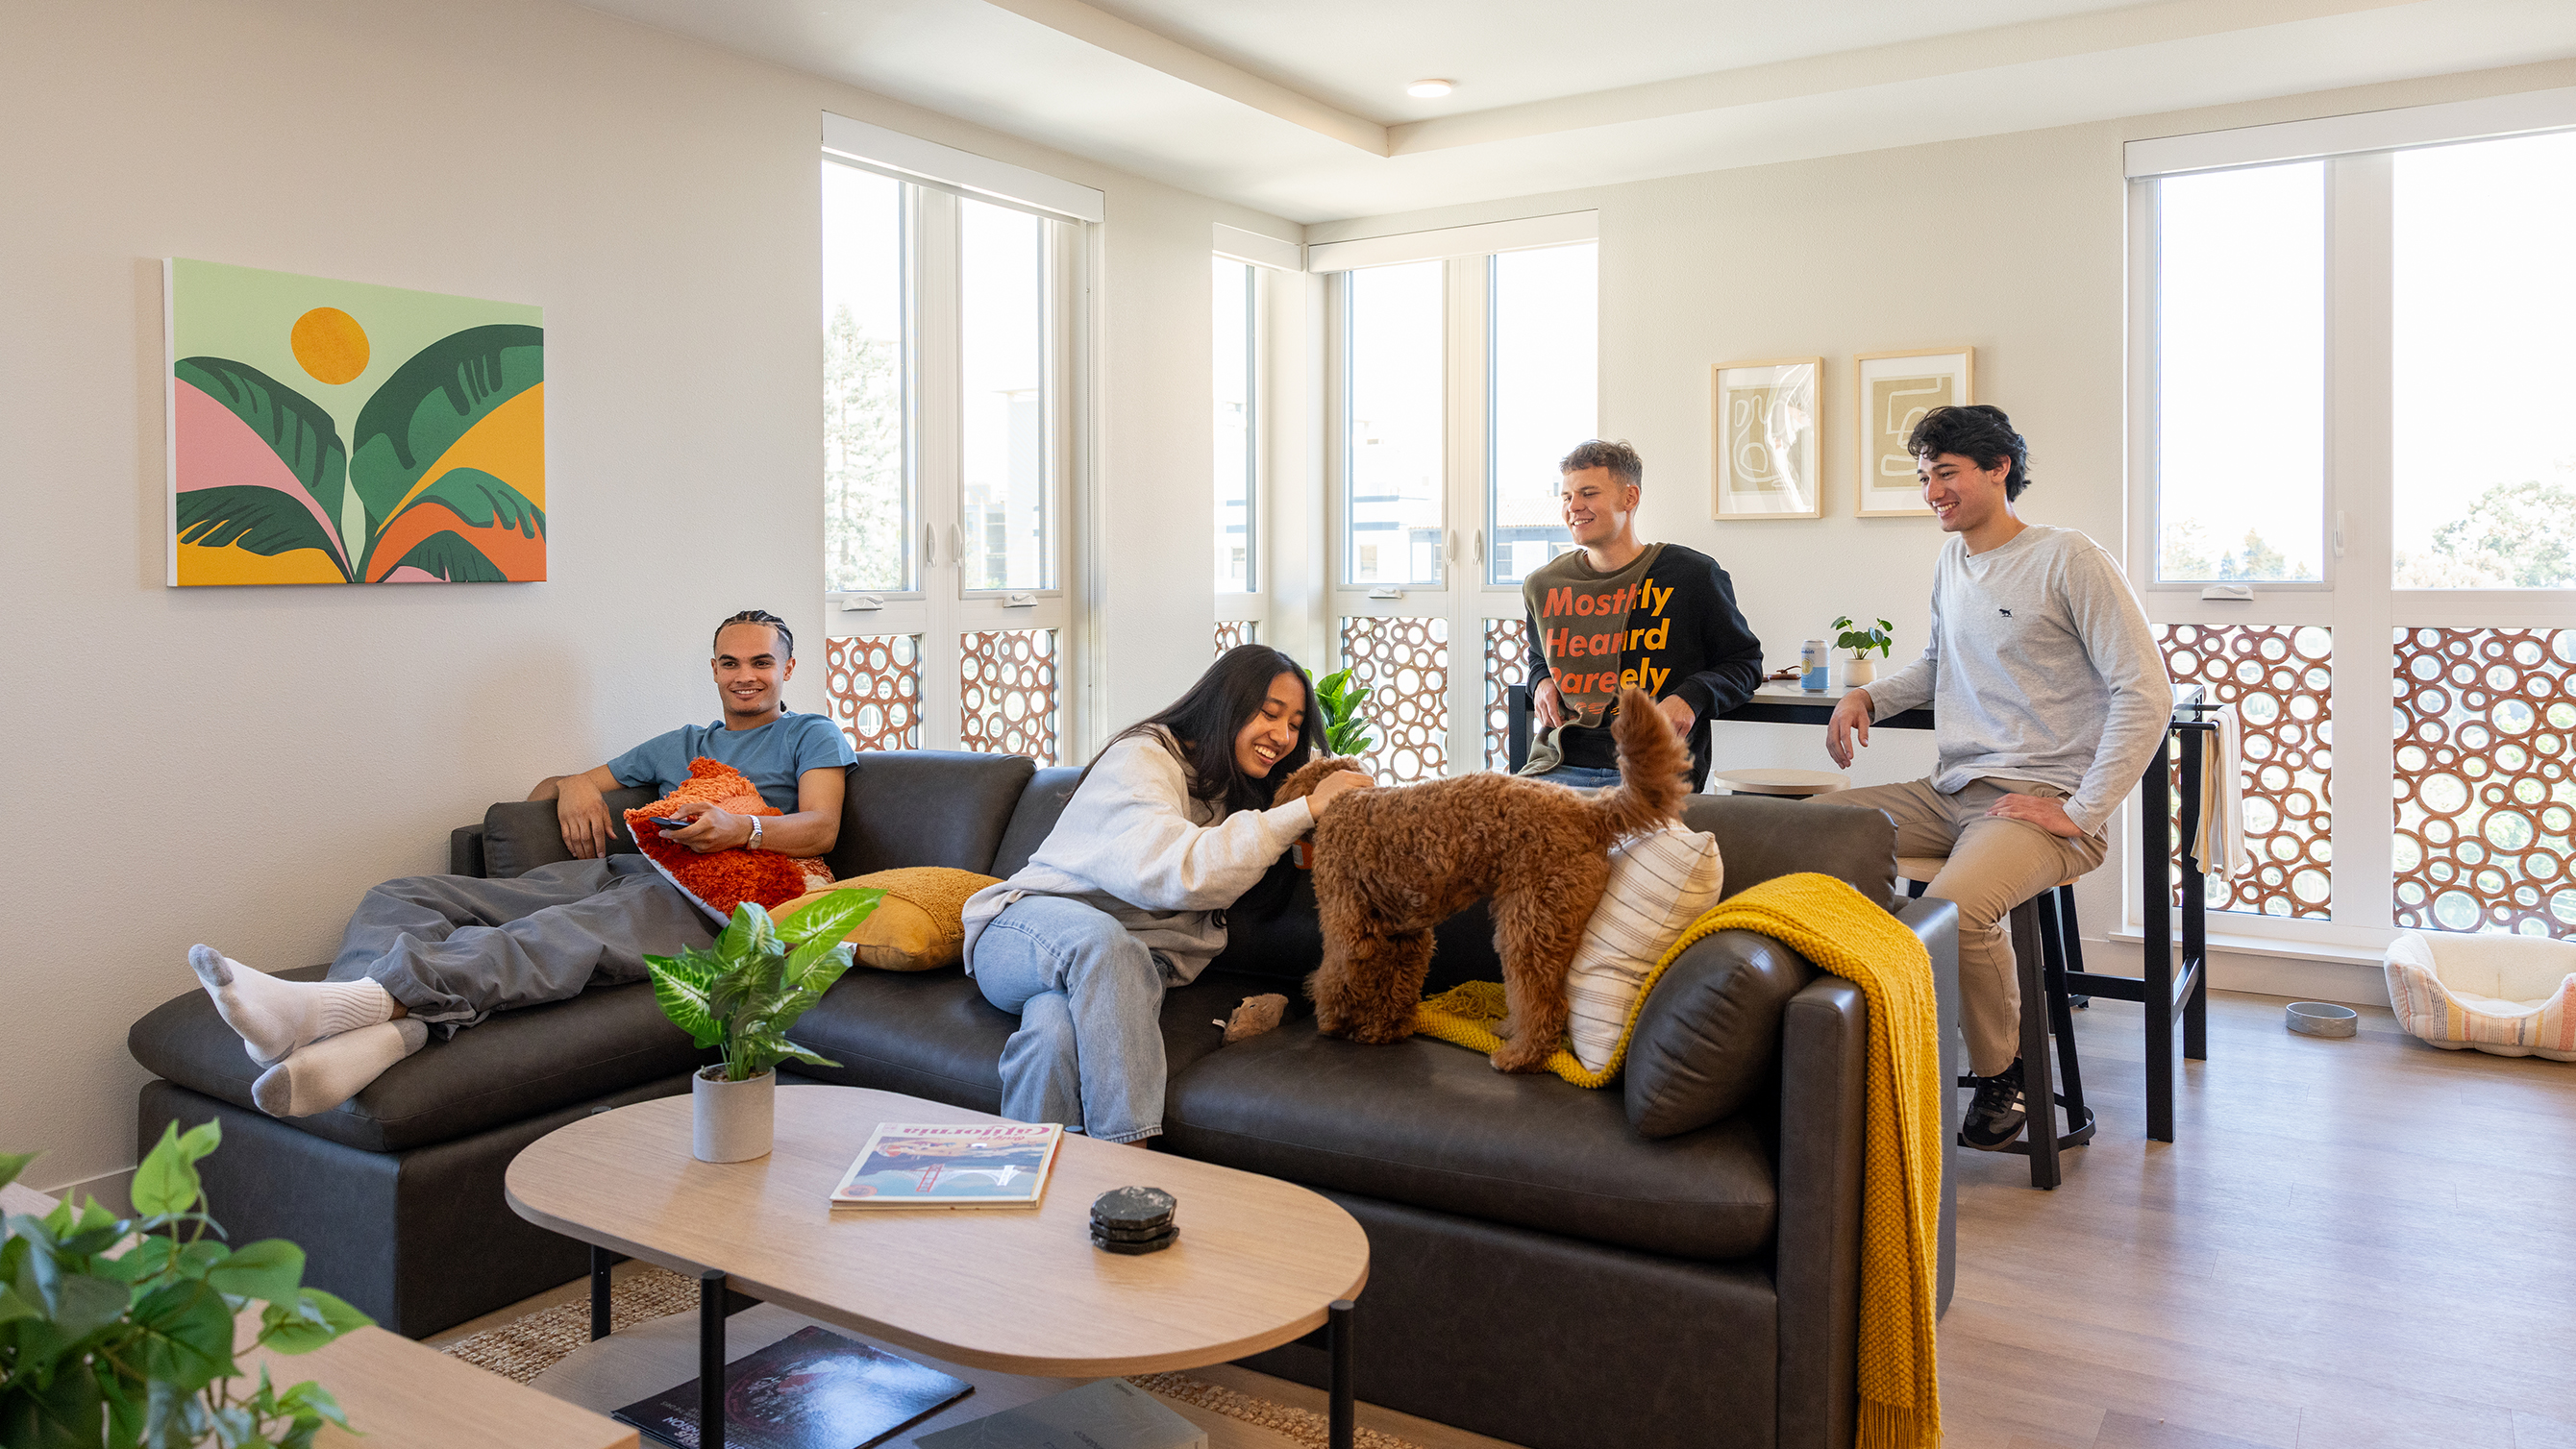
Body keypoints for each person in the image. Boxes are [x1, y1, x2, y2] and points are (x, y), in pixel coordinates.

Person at [186, 610, 856, 1117]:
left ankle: (340, 1015)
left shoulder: (810, 733)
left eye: (762, 663)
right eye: (731, 662)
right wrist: (571, 785)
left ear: (788, 670)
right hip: (635, 872)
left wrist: (741, 827)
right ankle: (365, 1039)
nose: (746, 676)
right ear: (711, 668)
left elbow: (820, 825)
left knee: (551, 935)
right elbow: (557, 787)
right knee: (406, 894)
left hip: (718, 902)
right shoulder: (680, 743)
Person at [1824, 405, 2169, 1150]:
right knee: (1812, 829)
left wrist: (2080, 810)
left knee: (1952, 912)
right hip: (1950, 792)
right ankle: (1845, 1039)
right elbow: (1937, 667)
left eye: (1945, 474)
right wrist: (1865, 696)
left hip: (2038, 802)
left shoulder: (2068, 558)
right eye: (1924, 477)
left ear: (1998, 469)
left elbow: (2147, 692)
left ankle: (2003, 1074)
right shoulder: (1953, 562)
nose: (1931, 493)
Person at [960, 645, 1373, 1144]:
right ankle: (1130, 1162)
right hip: (1028, 934)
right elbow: (1176, 870)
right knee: (1104, 943)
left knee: (1052, 1030)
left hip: (1131, 969)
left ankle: (1028, 1180)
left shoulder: (1247, 785)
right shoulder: (1143, 757)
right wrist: (1301, 811)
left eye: (1295, 724)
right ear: (1228, 703)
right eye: (1270, 714)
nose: (1283, 736)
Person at [1520, 438, 1764, 791]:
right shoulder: (1543, 585)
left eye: (1588, 493)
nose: (1574, 507)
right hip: (1556, 765)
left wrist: (1688, 698)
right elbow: (1539, 657)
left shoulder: (1692, 576)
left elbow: (1744, 663)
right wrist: (1540, 681)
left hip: (1651, 769)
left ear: (1629, 498)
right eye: (1566, 497)